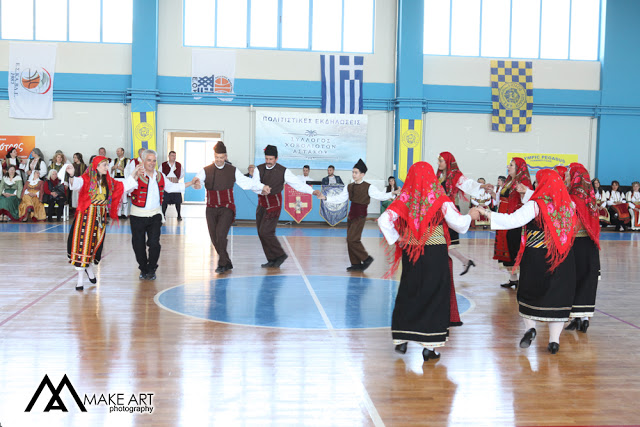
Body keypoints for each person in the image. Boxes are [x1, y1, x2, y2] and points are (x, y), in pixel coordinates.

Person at [378, 162, 481, 361]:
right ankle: (430, 346)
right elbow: (459, 225)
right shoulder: (440, 200)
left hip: (412, 252)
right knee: (434, 294)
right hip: (435, 252)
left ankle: (402, 339)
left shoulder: (405, 198)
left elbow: (384, 220)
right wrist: (470, 215)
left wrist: (397, 238)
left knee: (409, 291)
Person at [477, 169, 577, 354]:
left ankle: (530, 329)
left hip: (537, 257)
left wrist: (488, 213)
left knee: (530, 293)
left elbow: (512, 220)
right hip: (563, 258)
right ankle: (554, 341)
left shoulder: (536, 205)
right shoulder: (568, 204)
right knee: (559, 297)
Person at [193, 142, 269, 273]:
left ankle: (222, 264)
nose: (219, 160)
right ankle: (227, 262)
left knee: (221, 234)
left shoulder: (232, 170)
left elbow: (246, 183)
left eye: (222, 157)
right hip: (211, 208)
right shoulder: (206, 170)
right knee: (214, 238)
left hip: (227, 208)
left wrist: (262, 187)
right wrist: (197, 184)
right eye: (217, 157)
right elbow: (197, 179)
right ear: (214, 156)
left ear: (226, 156)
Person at [125, 149, 197, 280]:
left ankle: (152, 268)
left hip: (155, 216)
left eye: (154, 160)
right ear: (143, 160)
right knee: (138, 244)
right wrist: (134, 174)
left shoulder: (160, 176)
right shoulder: (135, 176)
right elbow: (126, 189)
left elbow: (173, 187)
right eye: (149, 160)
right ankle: (143, 268)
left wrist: (191, 183)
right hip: (137, 216)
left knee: (154, 243)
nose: (152, 163)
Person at [64, 157, 133, 290]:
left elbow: (122, 186)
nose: (106, 168)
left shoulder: (109, 181)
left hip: (100, 217)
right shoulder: (86, 179)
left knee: (94, 245)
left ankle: (89, 269)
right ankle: (80, 280)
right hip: (86, 217)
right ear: (96, 166)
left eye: (107, 165)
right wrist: (72, 174)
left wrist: (135, 172)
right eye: (104, 165)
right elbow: (76, 183)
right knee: (82, 245)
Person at [320, 159, 399, 271]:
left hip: (360, 216)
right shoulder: (349, 186)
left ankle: (366, 258)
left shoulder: (368, 187)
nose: (354, 174)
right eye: (353, 172)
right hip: (351, 216)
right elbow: (341, 198)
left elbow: (380, 195)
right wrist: (326, 197)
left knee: (353, 239)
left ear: (362, 174)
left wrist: (392, 193)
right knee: (350, 239)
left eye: (356, 172)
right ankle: (355, 264)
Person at [253, 145, 322, 268]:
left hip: (274, 205)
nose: (268, 162)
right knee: (261, 232)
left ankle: (280, 255)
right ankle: (271, 259)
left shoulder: (283, 171)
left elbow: (298, 184)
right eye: (267, 159)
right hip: (262, 204)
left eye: (271, 159)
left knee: (265, 231)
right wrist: (261, 190)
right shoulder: (258, 169)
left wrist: (312, 191)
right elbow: (254, 185)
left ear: (276, 158)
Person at [436, 152, 494, 275]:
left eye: (441, 161)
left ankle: (451, 266)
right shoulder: (439, 176)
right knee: (443, 242)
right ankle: (464, 261)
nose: (439, 163)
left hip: (448, 210)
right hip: (437, 211)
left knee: (445, 242)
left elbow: (467, 184)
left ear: (447, 162)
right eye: (438, 161)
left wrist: (482, 185)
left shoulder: (455, 175)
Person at [564, 163, 600, 333]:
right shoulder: (589, 197)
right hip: (590, 244)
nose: (566, 178)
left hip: (576, 243)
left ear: (575, 177)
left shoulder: (573, 196)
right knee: (587, 280)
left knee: (574, 280)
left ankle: (578, 317)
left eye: (568, 175)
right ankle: (582, 318)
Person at [489, 157, 533, 288]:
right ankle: (513, 278)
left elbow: (530, 200)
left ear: (519, 168)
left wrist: (523, 192)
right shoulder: (509, 182)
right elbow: (501, 199)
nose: (508, 167)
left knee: (514, 247)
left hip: (515, 221)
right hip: (503, 218)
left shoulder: (524, 182)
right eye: (509, 165)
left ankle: (523, 279)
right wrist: (492, 193)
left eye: (511, 165)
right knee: (507, 248)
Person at [161, 151, 185, 221]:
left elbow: (182, 174)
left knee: (177, 201)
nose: (173, 157)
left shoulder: (178, 165)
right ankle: (163, 215)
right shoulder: (163, 165)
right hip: (166, 185)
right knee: (164, 201)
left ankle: (179, 215)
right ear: (169, 156)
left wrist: (175, 179)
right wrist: (167, 180)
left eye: (174, 156)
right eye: (172, 155)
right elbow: (160, 173)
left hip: (175, 184)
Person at [109, 147, 130, 218]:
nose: (117, 152)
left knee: (124, 196)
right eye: (116, 151)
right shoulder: (114, 160)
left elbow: (129, 171)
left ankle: (125, 213)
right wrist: (113, 168)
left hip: (123, 180)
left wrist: (122, 169)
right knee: (117, 197)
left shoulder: (127, 160)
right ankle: (118, 213)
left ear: (122, 152)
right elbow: (109, 168)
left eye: (118, 151)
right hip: (116, 179)